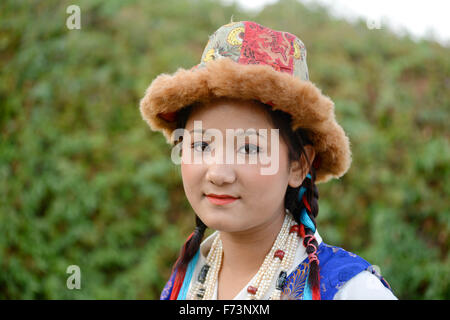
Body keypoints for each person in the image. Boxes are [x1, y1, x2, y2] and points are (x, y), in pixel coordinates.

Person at [139, 20, 397, 300]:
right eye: (201, 144)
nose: (219, 173)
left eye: (249, 149)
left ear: (299, 165)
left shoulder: (352, 290)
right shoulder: (185, 280)